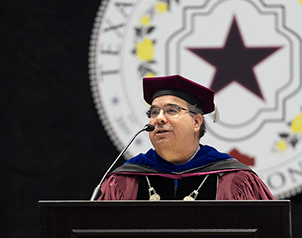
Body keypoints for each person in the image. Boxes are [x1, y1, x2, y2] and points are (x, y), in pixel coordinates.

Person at [97, 74, 274, 200]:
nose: (159, 118)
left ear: (196, 122)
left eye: (171, 111)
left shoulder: (234, 179)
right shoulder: (125, 180)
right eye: (153, 112)